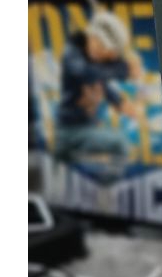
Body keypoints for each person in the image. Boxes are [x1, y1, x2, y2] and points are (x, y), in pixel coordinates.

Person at [55, 11, 141, 164]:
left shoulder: (90, 58)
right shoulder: (73, 54)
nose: (103, 55)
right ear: (92, 37)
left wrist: (119, 102)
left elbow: (101, 82)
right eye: (101, 47)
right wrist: (125, 69)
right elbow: (87, 74)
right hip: (70, 132)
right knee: (120, 144)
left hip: (87, 125)